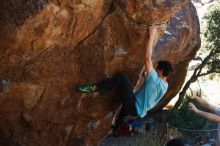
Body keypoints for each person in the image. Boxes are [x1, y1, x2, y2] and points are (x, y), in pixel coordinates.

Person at [77, 26, 174, 133]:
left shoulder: (154, 79)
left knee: (123, 78)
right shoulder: (165, 85)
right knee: (127, 103)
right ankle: (116, 129)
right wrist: (146, 78)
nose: (155, 69)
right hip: (138, 111)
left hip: (134, 106)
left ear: (160, 71)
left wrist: (152, 36)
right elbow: (153, 88)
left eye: (157, 68)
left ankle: (94, 88)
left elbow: (147, 57)